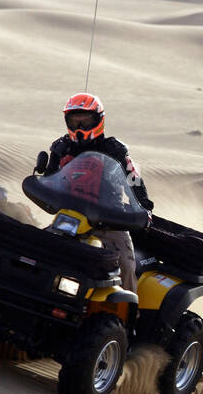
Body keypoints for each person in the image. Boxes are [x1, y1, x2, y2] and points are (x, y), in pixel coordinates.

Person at [34, 93, 151, 291]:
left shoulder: (115, 150)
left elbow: (134, 180)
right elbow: (49, 179)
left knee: (125, 266)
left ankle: (130, 314)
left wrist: (144, 207)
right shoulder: (61, 148)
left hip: (109, 222)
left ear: (98, 120)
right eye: (74, 122)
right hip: (69, 218)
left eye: (85, 122)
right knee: (37, 251)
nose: (79, 128)